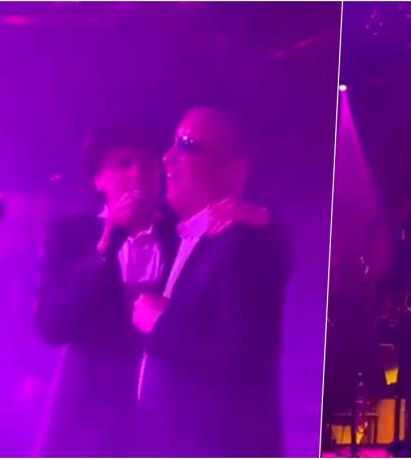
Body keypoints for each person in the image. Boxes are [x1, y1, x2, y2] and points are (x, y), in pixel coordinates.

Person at [133, 107, 291, 456]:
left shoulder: (246, 242)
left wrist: (159, 323)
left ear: (233, 169)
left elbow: (239, 358)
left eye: (186, 144)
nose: (167, 157)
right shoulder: (181, 240)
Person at [35, 126, 178, 456]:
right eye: (124, 163)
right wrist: (106, 245)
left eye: (148, 163)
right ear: (98, 179)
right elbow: (52, 324)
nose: (139, 174)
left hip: (163, 410)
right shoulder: (72, 234)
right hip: (88, 415)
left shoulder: (182, 234)